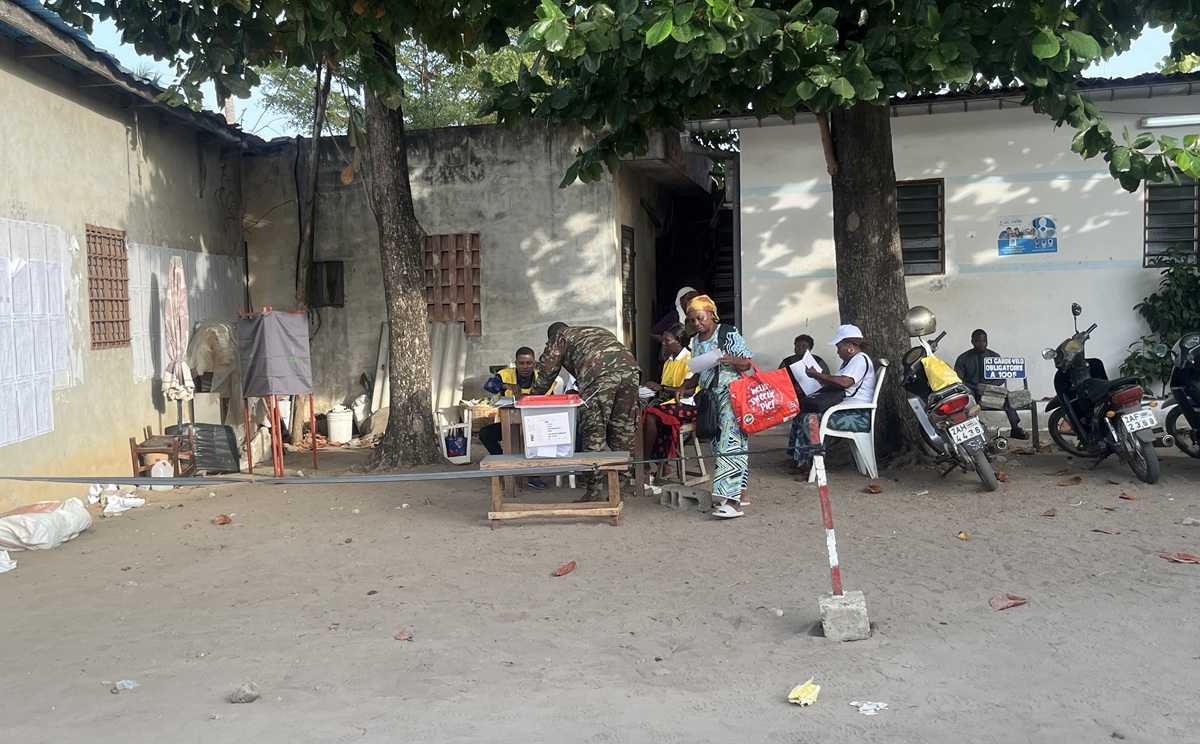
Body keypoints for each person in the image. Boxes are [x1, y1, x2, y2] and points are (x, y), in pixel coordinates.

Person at [529, 323, 641, 502]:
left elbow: (546, 374)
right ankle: (618, 488)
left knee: (593, 430)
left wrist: (532, 399)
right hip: (631, 371)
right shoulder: (598, 330)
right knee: (624, 430)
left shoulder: (560, 338)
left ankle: (594, 491)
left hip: (599, 376)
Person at [687, 295, 754, 519]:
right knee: (717, 445)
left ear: (711, 314)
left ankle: (732, 503)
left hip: (731, 394)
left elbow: (748, 364)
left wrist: (733, 360)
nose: (697, 323)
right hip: (710, 398)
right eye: (692, 320)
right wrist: (682, 388)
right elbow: (697, 372)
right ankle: (742, 494)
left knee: (729, 443)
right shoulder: (696, 341)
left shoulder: (727, 332)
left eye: (700, 318)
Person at [792, 324, 877, 480]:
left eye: (839, 347)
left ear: (850, 346)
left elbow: (845, 383)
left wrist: (818, 375)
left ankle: (814, 468)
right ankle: (802, 463)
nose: (837, 351)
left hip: (857, 415)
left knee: (810, 420)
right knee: (800, 415)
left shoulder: (860, 360)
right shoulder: (850, 362)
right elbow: (837, 383)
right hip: (845, 410)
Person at [479, 346, 556, 489]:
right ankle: (505, 465)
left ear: (534, 363)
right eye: (521, 363)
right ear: (516, 363)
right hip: (509, 424)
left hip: (535, 425)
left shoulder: (542, 379)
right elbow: (489, 385)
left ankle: (534, 475)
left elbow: (550, 401)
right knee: (485, 433)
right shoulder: (506, 374)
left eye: (528, 363)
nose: (525, 367)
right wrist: (504, 385)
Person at [640, 323, 699, 485]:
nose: (663, 343)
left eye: (667, 340)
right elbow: (666, 391)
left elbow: (689, 391)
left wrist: (662, 387)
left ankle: (645, 465)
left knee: (652, 416)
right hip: (671, 404)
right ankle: (661, 464)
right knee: (643, 415)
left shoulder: (690, 360)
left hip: (688, 406)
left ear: (679, 341)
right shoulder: (668, 361)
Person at [953, 329, 1029, 440]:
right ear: (972, 342)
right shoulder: (963, 359)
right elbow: (958, 380)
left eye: (984, 341)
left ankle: (1015, 428)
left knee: (1007, 396)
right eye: (978, 341)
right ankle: (969, 433)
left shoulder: (995, 357)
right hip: (971, 391)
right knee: (963, 400)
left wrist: (989, 388)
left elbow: (1001, 377)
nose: (981, 344)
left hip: (991, 392)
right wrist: (974, 387)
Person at [779, 334, 830, 398]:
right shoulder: (786, 362)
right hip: (791, 395)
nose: (800, 347)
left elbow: (828, 380)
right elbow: (779, 380)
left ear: (810, 348)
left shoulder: (818, 361)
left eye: (804, 346)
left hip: (815, 394)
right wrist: (791, 388)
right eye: (798, 345)